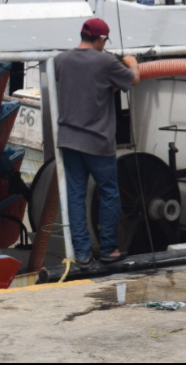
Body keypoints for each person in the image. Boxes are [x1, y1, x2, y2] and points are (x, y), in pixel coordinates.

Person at [55, 17, 140, 265]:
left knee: (75, 194)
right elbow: (133, 79)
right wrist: (132, 62)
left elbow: (89, 87)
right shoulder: (104, 61)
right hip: (98, 142)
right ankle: (109, 249)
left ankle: (81, 253)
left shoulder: (61, 60)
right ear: (101, 39)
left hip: (69, 140)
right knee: (109, 193)